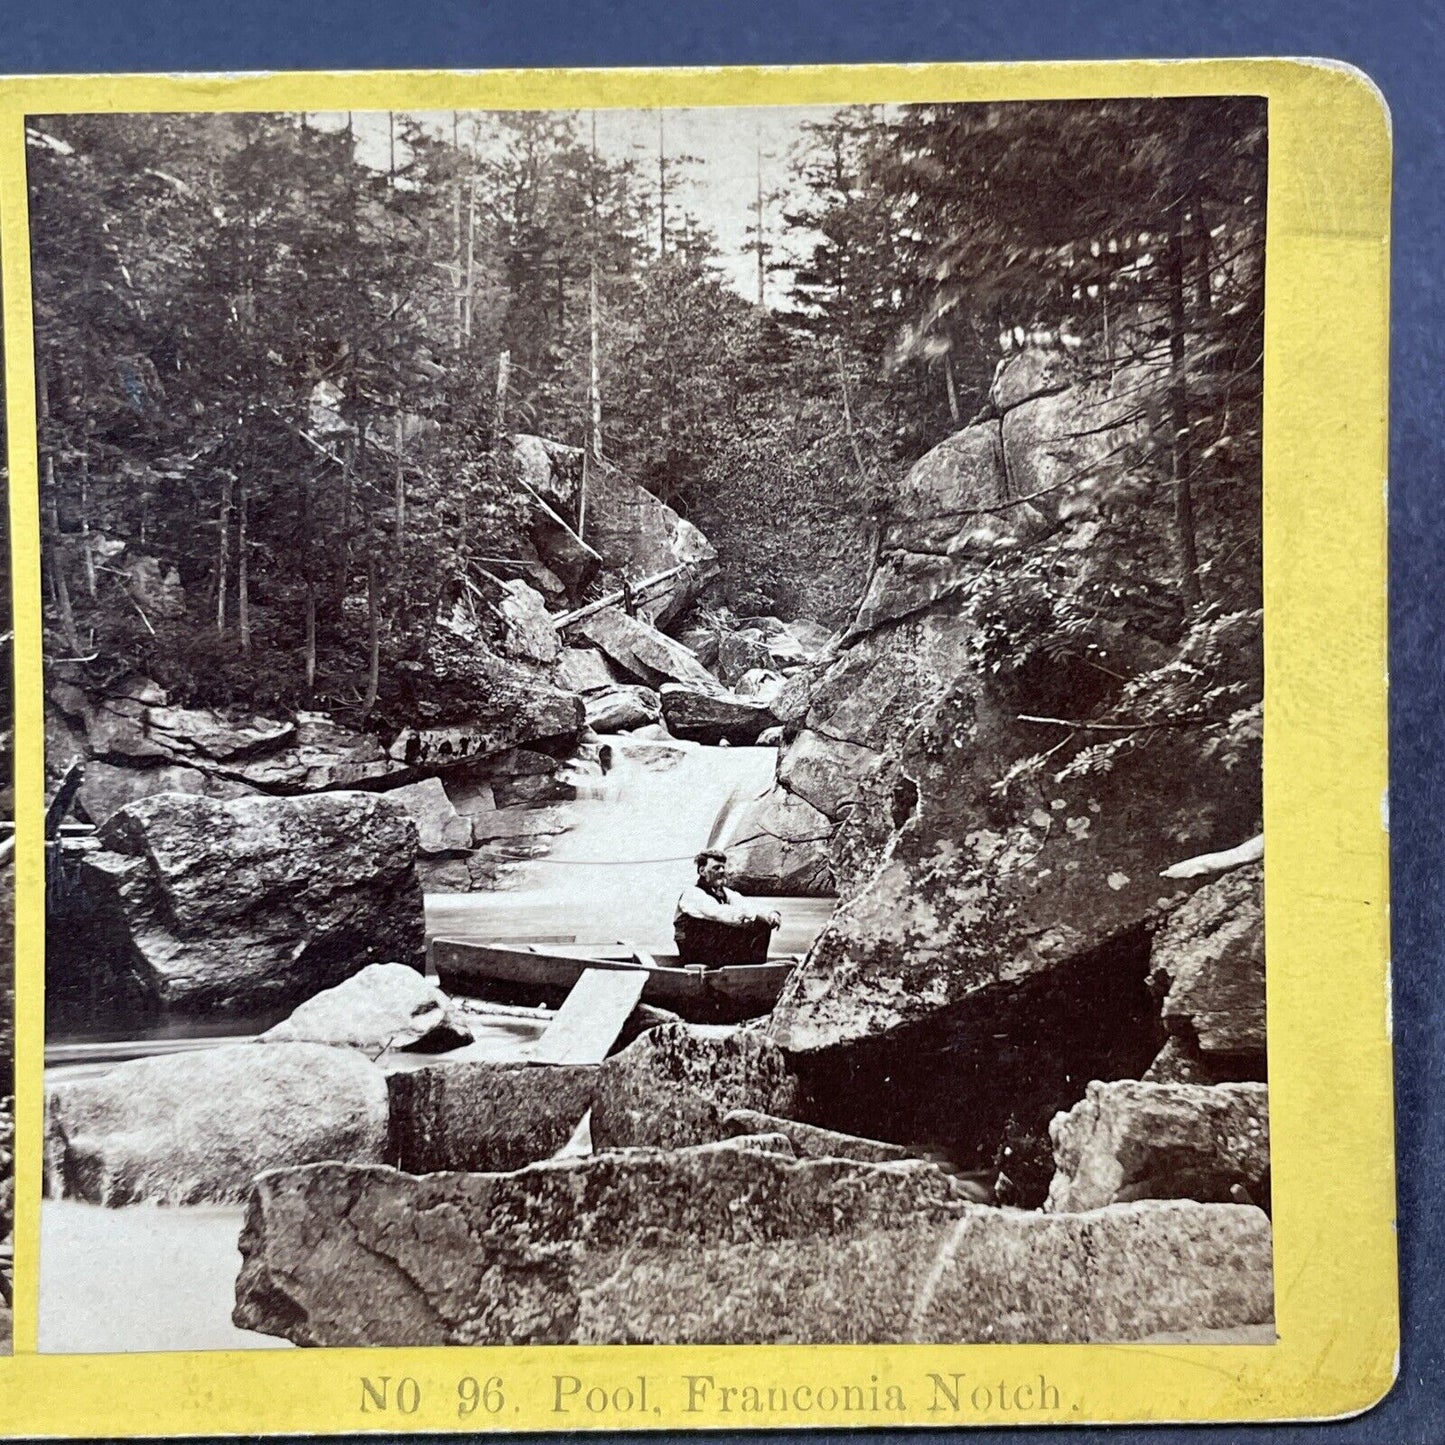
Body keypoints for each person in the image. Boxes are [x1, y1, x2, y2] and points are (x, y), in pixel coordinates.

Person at [673, 850, 781, 968]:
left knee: (762, 925)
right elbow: (719, 912)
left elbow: (745, 904)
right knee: (755, 924)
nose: (721, 871)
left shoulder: (724, 892)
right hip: (694, 952)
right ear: (702, 871)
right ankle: (751, 971)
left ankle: (754, 970)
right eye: (716, 868)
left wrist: (770, 914)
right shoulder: (693, 894)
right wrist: (753, 917)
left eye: (723, 867)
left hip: (710, 947)